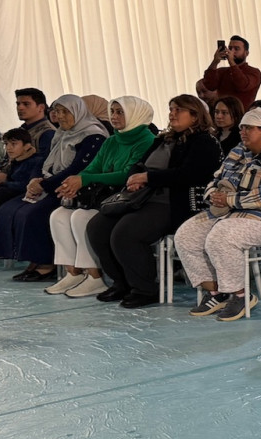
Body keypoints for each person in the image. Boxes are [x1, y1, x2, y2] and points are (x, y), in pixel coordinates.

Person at [86, 95, 221, 307]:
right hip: (145, 197)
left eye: (178, 110)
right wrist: (134, 178)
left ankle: (145, 289)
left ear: (195, 116)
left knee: (125, 233)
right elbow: (139, 164)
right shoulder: (163, 139)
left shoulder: (205, 142)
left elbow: (189, 175)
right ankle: (122, 282)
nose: (172, 114)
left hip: (175, 203)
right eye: (171, 109)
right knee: (97, 227)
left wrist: (148, 178)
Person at [175, 108, 261, 321]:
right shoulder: (239, 151)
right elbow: (217, 177)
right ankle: (217, 292)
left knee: (222, 236)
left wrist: (231, 200)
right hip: (232, 213)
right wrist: (212, 194)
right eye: (242, 127)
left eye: (249, 128)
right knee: (187, 234)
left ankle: (240, 295)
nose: (243, 132)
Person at [46, 97, 157, 298]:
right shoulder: (113, 140)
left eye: (120, 112)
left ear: (135, 114)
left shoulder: (147, 141)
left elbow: (127, 175)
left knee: (80, 217)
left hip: (126, 199)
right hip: (103, 197)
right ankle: (74, 273)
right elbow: (93, 168)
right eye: (112, 111)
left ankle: (95, 277)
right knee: (58, 215)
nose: (114, 116)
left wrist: (85, 179)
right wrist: (75, 182)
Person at [0, 95, 109, 280]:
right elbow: (44, 161)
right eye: (57, 111)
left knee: (33, 213)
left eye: (65, 112)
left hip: (71, 188)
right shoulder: (61, 133)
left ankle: (47, 264)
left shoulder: (93, 135)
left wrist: (44, 185)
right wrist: (34, 180)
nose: (60, 116)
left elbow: (78, 168)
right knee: (8, 208)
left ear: (78, 111)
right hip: (50, 184)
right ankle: (33, 259)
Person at [0, 128, 46, 226]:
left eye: (13, 144)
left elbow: (25, 184)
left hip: (28, 193)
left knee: (0, 193)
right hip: (12, 189)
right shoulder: (15, 160)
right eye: (6, 144)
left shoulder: (35, 161)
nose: (9, 148)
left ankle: (7, 222)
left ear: (26, 146)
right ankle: (2, 222)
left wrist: (3, 184)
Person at [196, 35, 261, 110]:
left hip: (243, 114)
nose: (231, 51)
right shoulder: (222, 71)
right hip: (221, 113)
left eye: (236, 49)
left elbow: (242, 85)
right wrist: (215, 61)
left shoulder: (254, 72)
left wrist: (231, 62)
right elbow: (209, 85)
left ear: (246, 53)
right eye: (230, 48)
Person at [14, 88, 55, 154]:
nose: (20, 108)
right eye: (18, 104)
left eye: (26, 104)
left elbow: (44, 159)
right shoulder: (21, 130)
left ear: (41, 107)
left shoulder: (48, 133)